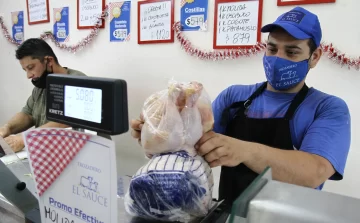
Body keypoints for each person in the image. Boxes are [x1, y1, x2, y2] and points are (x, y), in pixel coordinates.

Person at [130, 6, 351, 204]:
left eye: (291, 52)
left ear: (315, 57)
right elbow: (192, 146)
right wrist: (159, 131)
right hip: (230, 215)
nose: (277, 58)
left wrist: (245, 150)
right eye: (272, 49)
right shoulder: (234, 97)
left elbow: (314, 171)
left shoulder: (328, 108)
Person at [0, 38, 86, 152]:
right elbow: (27, 114)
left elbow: (66, 122)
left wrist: (24, 138)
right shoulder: (41, 86)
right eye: (25, 70)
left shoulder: (78, 82)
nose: (28, 75)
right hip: (48, 155)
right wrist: (7, 128)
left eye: (31, 68)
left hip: (78, 157)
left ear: (49, 61)